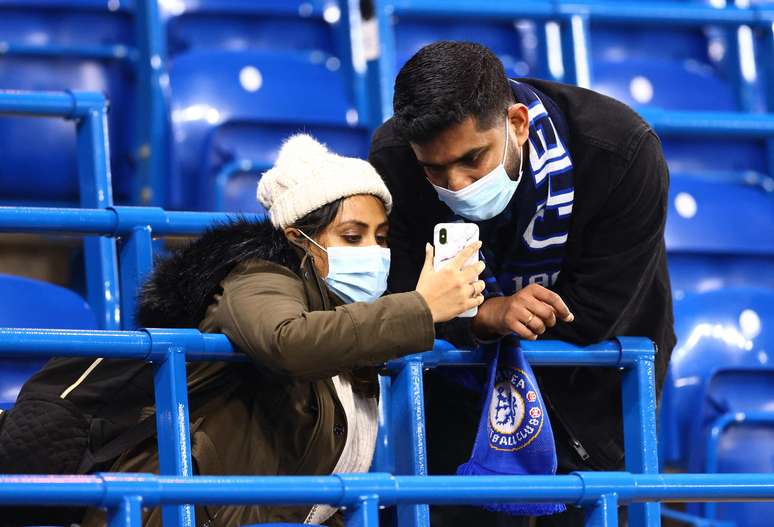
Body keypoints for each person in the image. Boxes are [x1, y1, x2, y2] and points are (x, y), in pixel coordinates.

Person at [5, 134, 484, 527]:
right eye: (353, 236)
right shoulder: (258, 275)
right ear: (300, 238)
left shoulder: (351, 319)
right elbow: (287, 341)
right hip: (181, 514)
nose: (374, 254)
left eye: (381, 239)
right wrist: (421, 308)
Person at [368, 41, 676, 526]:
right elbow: (404, 300)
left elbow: (595, 312)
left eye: (473, 158)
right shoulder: (394, 159)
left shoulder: (621, 151)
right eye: (435, 169)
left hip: (594, 396)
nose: (457, 184)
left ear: (517, 123)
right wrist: (486, 316)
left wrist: (464, 315)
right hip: (458, 398)